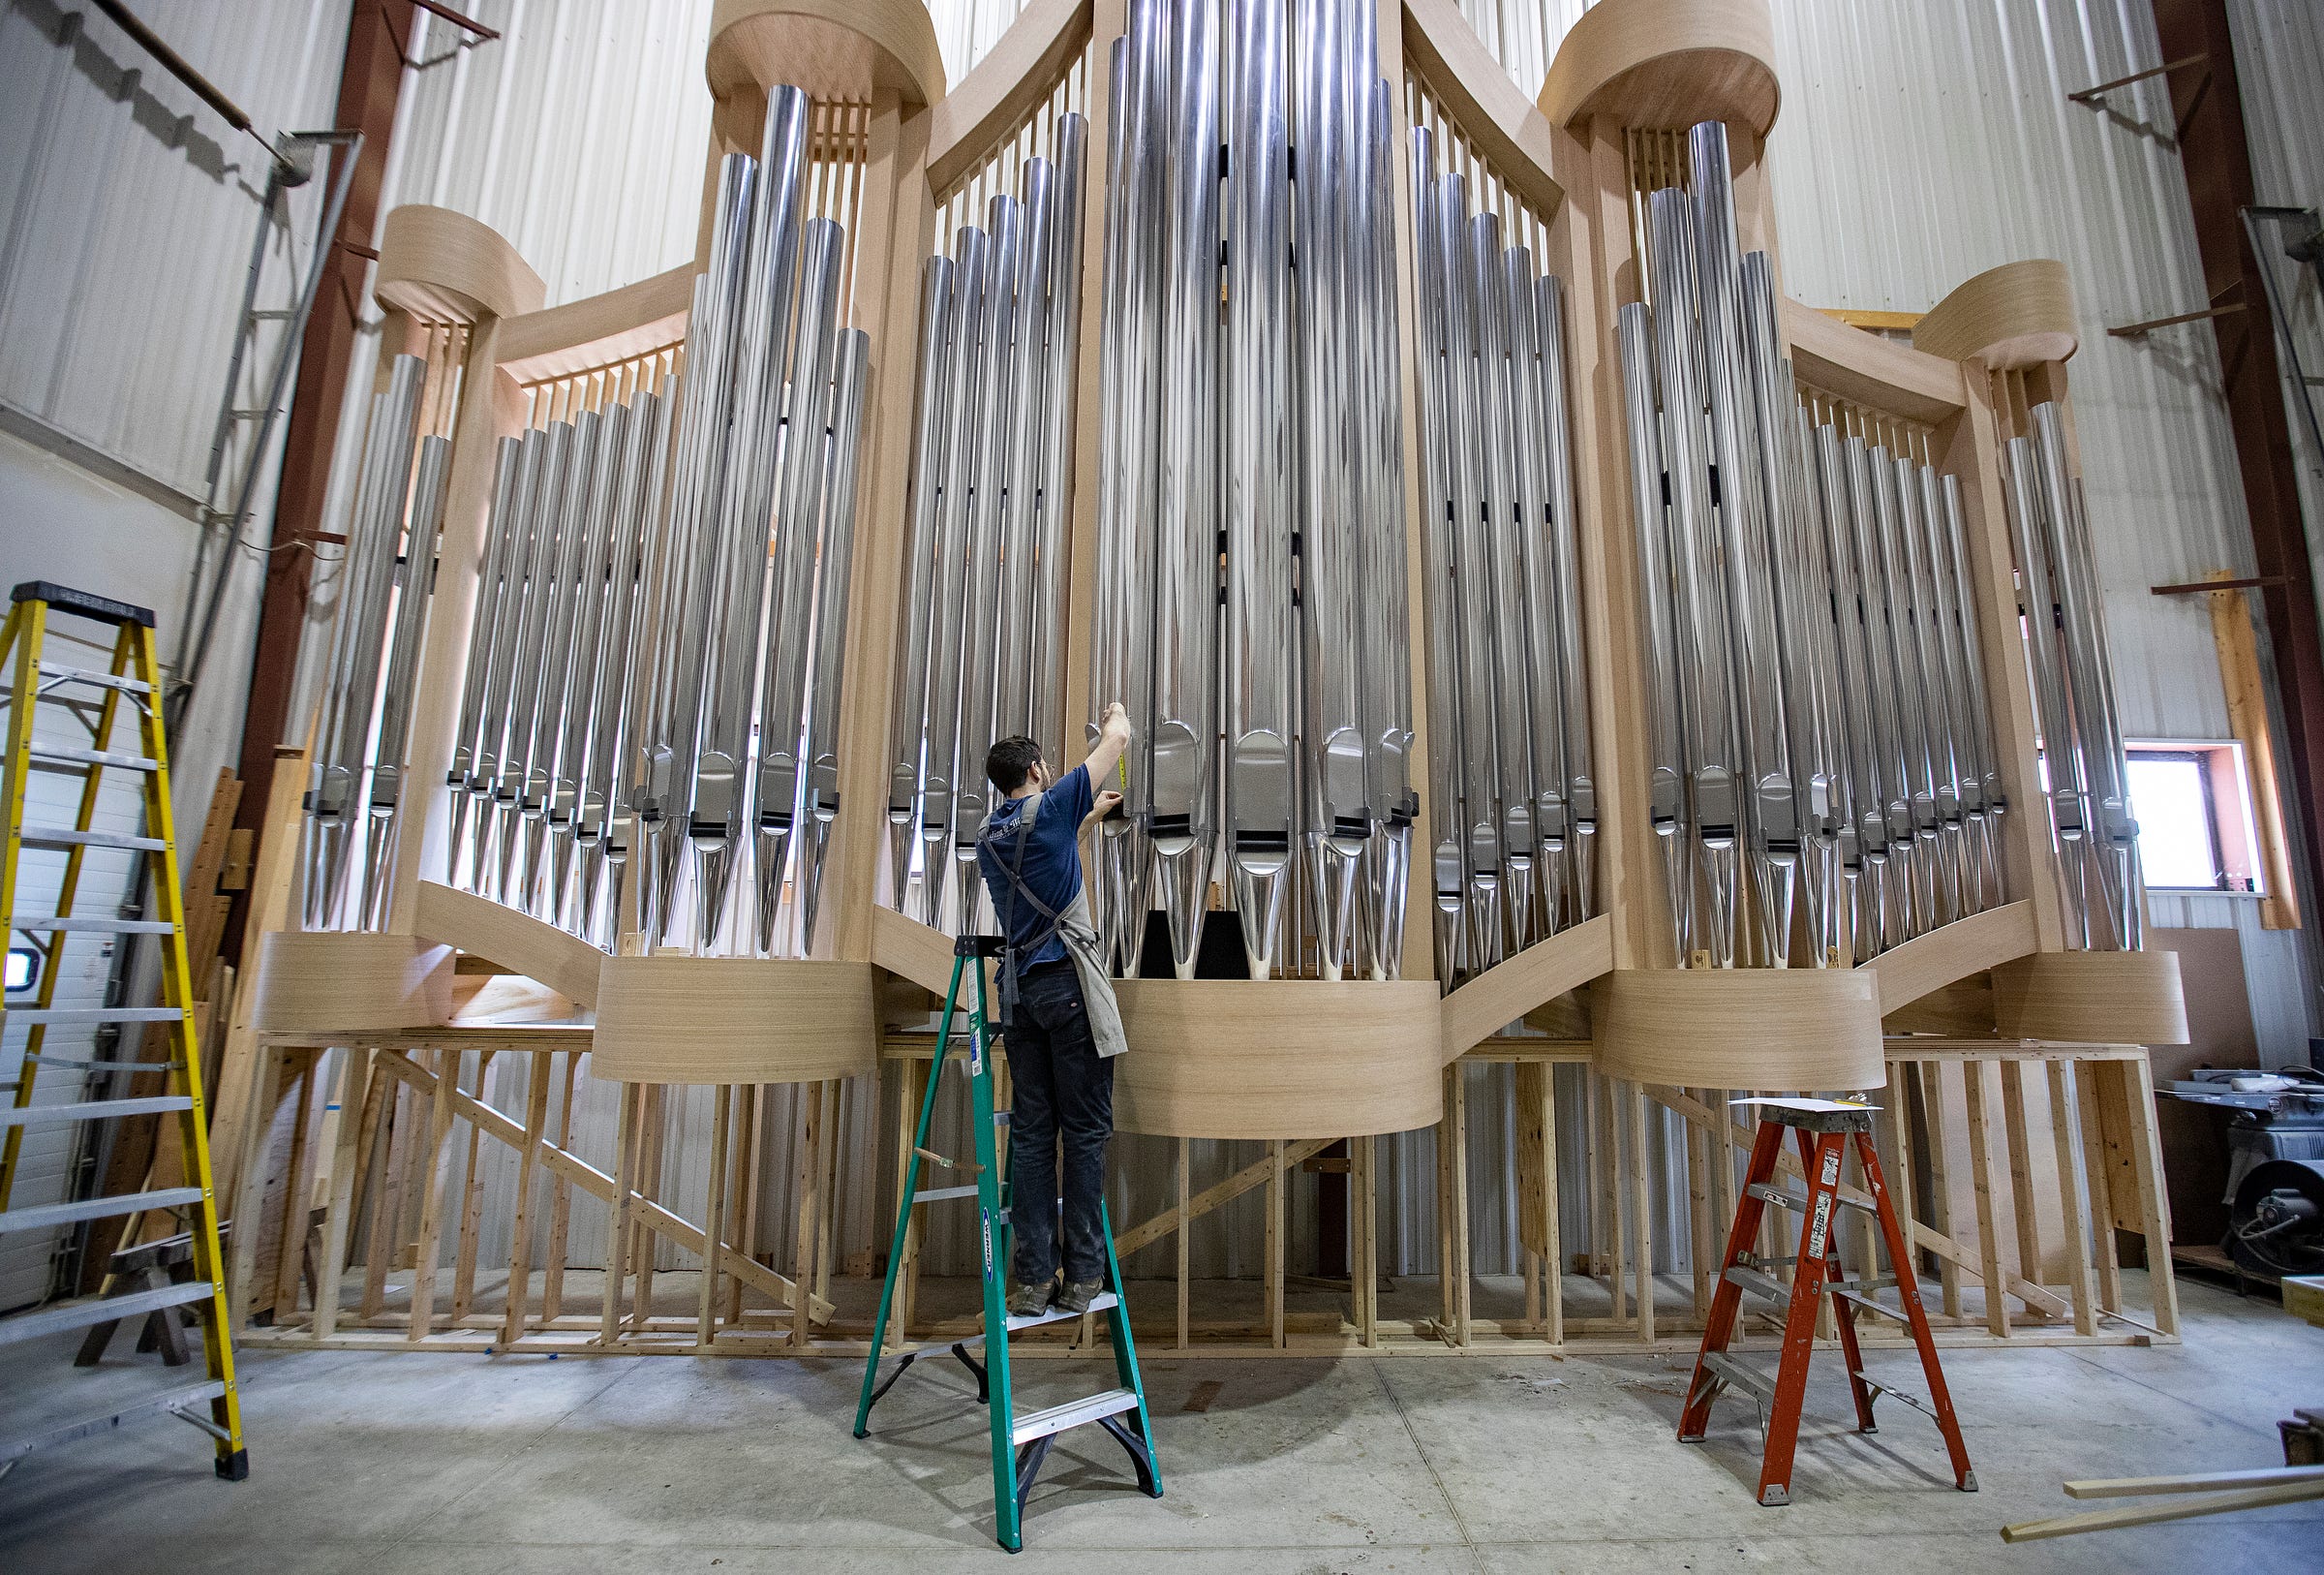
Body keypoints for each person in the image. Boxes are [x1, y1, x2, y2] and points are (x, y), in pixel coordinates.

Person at [977, 701, 1134, 1317]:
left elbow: (1042, 857)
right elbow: (1118, 738)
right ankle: (1084, 1274)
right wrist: (1114, 714)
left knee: (1034, 1136)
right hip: (1068, 988)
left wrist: (1085, 820)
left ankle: (1034, 1279)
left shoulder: (991, 836)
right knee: (1087, 1132)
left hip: (1017, 996)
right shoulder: (1052, 803)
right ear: (1040, 769)